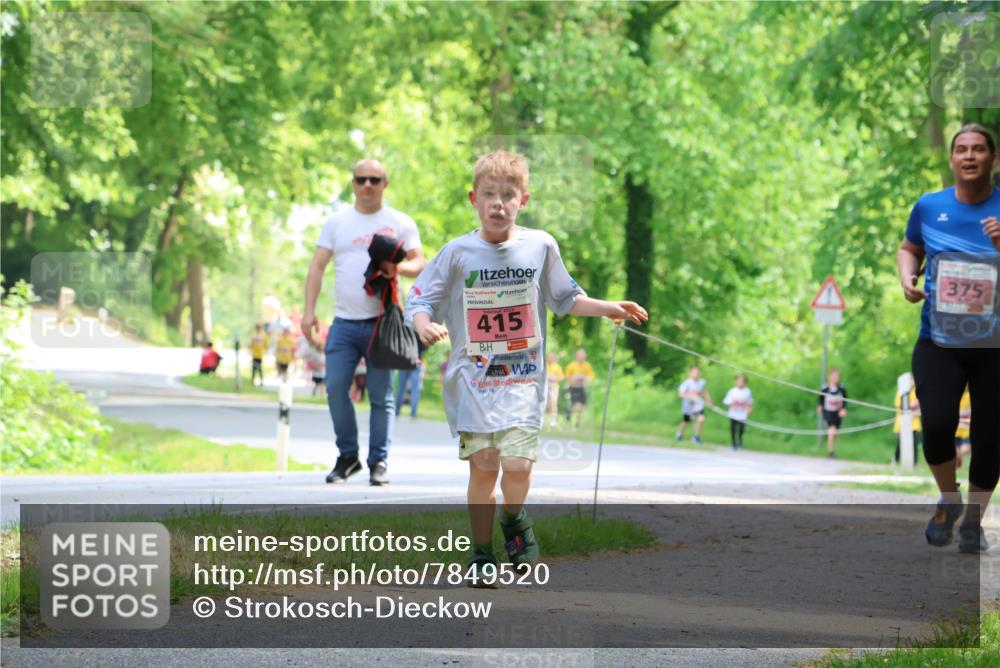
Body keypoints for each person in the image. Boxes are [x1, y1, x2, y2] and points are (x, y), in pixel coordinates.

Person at [405, 149, 648, 584]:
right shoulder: (458, 252)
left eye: (508, 195)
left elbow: (566, 297)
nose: (498, 203)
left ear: (524, 200)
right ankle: (481, 555)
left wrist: (611, 307)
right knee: (484, 466)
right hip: (474, 381)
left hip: (522, 378)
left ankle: (513, 521)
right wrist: (424, 324)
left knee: (516, 465)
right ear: (473, 199)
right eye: (489, 195)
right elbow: (421, 297)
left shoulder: (540, 245)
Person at [898, 123, 1000, 553]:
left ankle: (975, 520)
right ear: (952, 159)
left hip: (995, 347)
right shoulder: (929, 205)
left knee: (991, 435)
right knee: (937, 422)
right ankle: (949, 499)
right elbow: (909, 247)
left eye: (979, 149)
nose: (970, 156)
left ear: (993, 159)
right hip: (939, 340)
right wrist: (906, 276)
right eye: (962, 149)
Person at [302, 159, 426, 487]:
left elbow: (420, 262)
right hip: (343, 322)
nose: (367, 185)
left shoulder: (399, 222)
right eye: (361, 180)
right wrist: (308, 311)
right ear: (353, 183)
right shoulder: (337, 222)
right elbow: (317, 266)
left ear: (385, 183)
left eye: (374, 179)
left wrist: (396, 269)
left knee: (381, 396)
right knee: (335, 387)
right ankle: (347, 457)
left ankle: (378, 462)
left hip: (382, 322)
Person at [675, 365, 712, 445]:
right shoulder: (687, 383)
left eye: (698, 372)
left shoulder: (701, 382)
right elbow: (680, 394)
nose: (696, 373)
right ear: (690, 373)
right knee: (686, 421)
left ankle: (696, 437)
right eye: (694, 372)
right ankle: (679, 433)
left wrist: (709, 400)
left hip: (698, 406)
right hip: (688, 406)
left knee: (701, 419)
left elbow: (704, 392)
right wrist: (690, 397)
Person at [816, 368, 848, 459]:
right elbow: (821, 399)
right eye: (833, 376)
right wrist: (820, 406)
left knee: (835, 433)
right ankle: (831, 452)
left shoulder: (842, 388)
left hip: (837, 413)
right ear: (829, 377)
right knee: (831, 430)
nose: (835, 378)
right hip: (828, 412)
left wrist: (843, 409)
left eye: (837, 376)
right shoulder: (825, 388)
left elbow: (845, 400)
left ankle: (830, 443)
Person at [892, 372, 923, 465]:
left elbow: (919, 405)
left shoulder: (916, 392)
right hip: (902, 423)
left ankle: (914, 463)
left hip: (914, 423)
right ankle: (896, 459)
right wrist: (913, 404)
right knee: (900, 443)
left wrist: (915, 406)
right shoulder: (900, 393)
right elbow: (901, 406)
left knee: (914, 443)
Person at [564, 348, 595, 428]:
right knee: (577, 405)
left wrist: (584, 378)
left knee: (582, 406)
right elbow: (567, 376)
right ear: (577, 356)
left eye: (583, 356)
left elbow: (591, 376)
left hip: (582, 388)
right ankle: (569, 410)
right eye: (580, 356)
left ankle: (577, 422)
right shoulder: (572, 365)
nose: (582, 357)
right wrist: (573, 379)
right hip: (573, 388)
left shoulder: (587, 366)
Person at [722, 373, 753, 450]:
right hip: (733, 413)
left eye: (742, 381)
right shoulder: (732, 391)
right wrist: (730, 404)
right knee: (733, 428)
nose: (740, 382)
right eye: (738, 381)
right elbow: (727, 401)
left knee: (741, 428)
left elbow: (749, 402)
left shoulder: (747, 391)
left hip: (742, 413)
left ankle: (740, 440)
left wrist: (749, 409)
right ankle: (733, 443)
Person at [395, 351, 426, 419]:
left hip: (404, 361)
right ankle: (413, 413)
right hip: (416, 361)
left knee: (401, 388)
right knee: (415, 389)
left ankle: (397, 412)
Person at [545, 352, 564, 428]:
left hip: (554, 387)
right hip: (545, 387)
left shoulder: (557, 367)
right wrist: (549, 377)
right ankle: (542, 419)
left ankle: (553, 420)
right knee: (545, 403)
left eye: (552, 357)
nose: (551, 359)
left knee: (553, 403)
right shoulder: (544, 365)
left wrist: (554, 378)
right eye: (549, 357)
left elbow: (561, 377)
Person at [955, 387, 971, 468]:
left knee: (966, 448)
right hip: (956, 429)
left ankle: (959, 456)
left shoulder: (969, 396)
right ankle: (957, 465)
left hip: (966, 429)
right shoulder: (954, 396)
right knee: (956, 449)